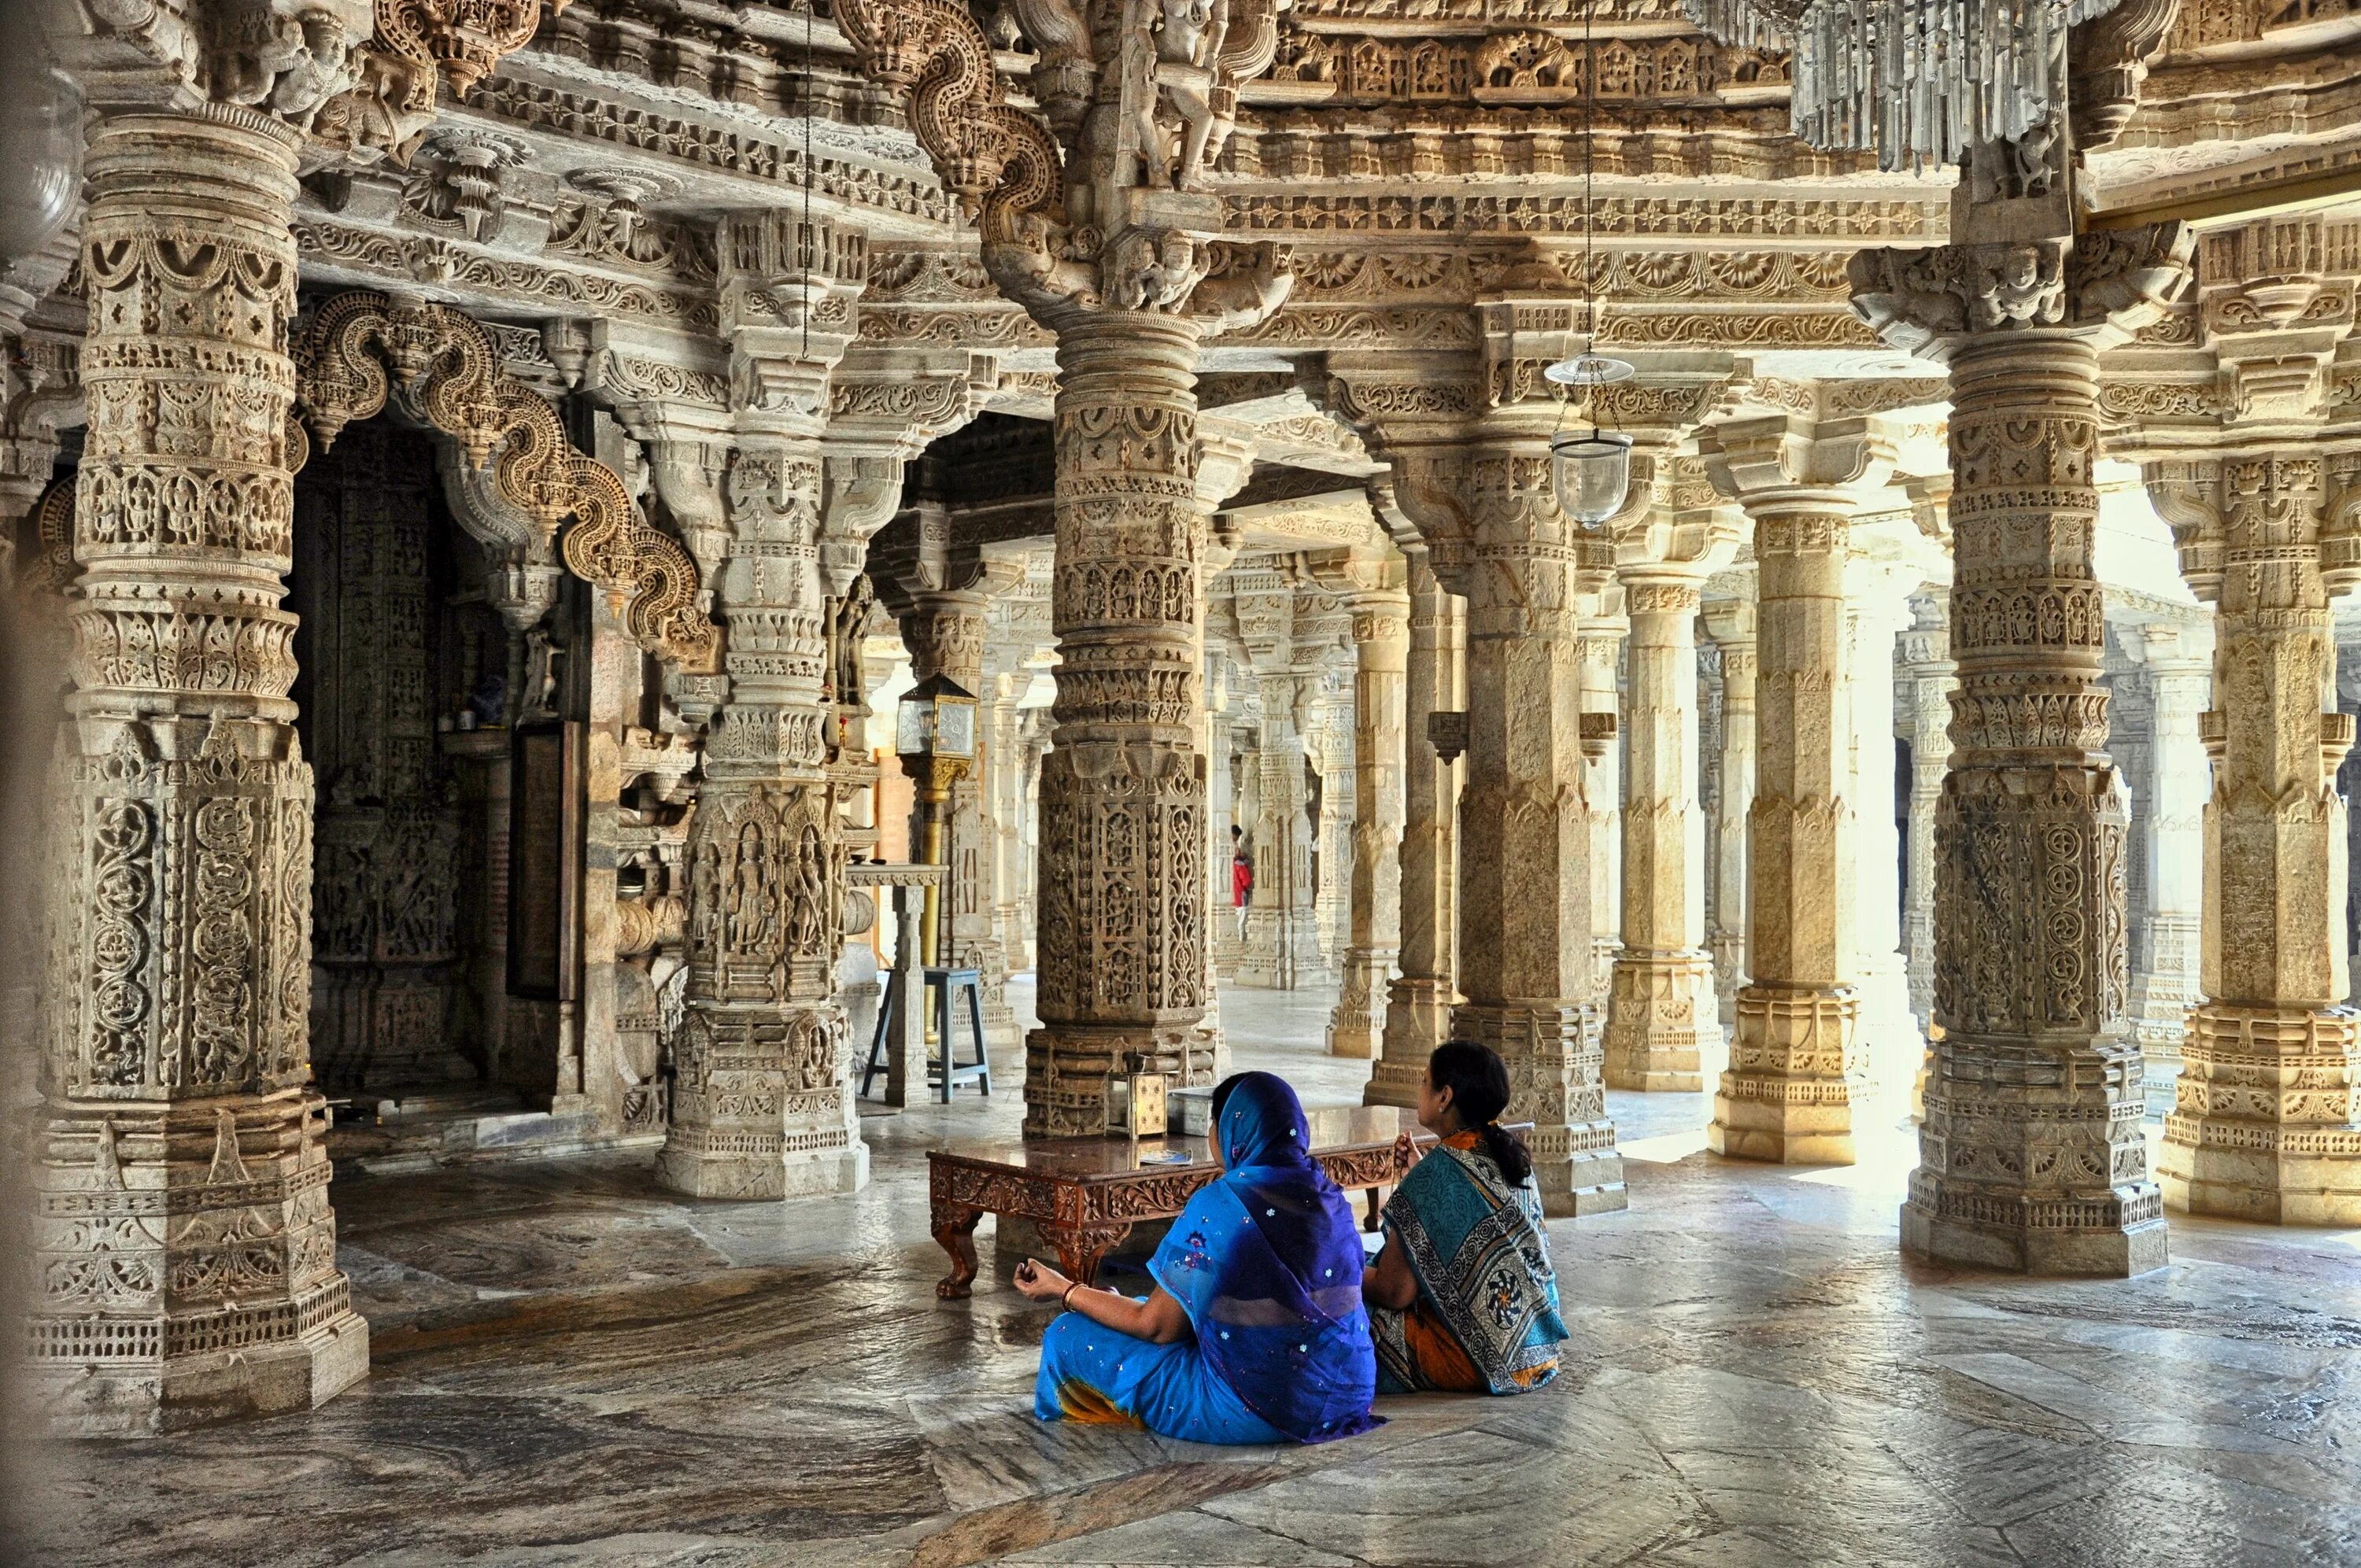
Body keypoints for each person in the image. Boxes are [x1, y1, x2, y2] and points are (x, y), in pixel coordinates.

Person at [1014, 1071, 1380, 1444]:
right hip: (1348, 1393)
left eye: (1213, 1125)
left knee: (1067, 1335)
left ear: (1232, 1131)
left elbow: (1156, 1327)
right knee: (1150, 1306)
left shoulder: (1222, 1205)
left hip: (1261, 1407)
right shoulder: (1329, 1197)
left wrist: (1064, 1289)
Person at [1362, 1040, 1568, 1394]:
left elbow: (1394, 1292)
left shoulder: (1436, 1176)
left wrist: (1334, 1266)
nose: (1420, 1089)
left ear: (1444, 1097)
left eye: (1425, 1081)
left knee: (1341, 1305)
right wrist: (1421, 1172)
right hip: (1535, 1352)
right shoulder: (1510, 1156)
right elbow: (1459, 1201)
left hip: (1477, 1360)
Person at [1230, 824, 1254, 943]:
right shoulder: (1239, 865)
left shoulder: (1232, 866)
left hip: (1232, 895)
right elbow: (1246, 881)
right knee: (1241, 918)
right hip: (1240, 894)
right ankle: (1240, 939)